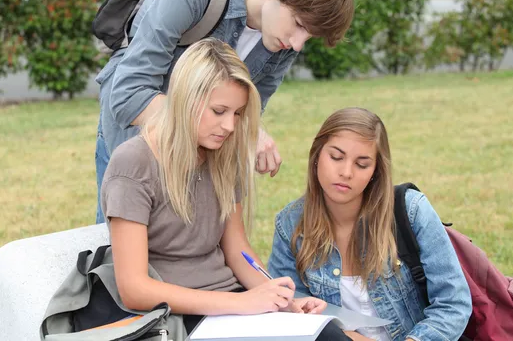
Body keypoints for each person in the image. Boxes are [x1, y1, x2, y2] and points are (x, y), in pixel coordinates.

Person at [100, 39, 351, 339]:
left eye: (237, 113)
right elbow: (134, 289)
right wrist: (241, 302)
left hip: (228, 306)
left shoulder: (221, 156)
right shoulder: (133, 163)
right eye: (219, 111)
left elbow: (238, 252)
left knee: (330, 336)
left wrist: (280, 300)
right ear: (185, 100)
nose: (230, 126)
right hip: (175, 318)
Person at [95, 0, 355, 223]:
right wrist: (241, 133)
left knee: (194, 245)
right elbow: (128, 96)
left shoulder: (283, 42)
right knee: (119, 249)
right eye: (299, 24)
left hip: (195, 151)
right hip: (136, 136)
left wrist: (249, 131)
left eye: (309, 36)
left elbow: (248, 111)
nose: (297, 44)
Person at [268, 107, 472, 341]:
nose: (346, 172)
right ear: (316, 157)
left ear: (376, 171)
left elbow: (453, 304)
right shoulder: (291, 224)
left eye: (362, 164)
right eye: (336, 157)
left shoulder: (411, 210)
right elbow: (292, 312)